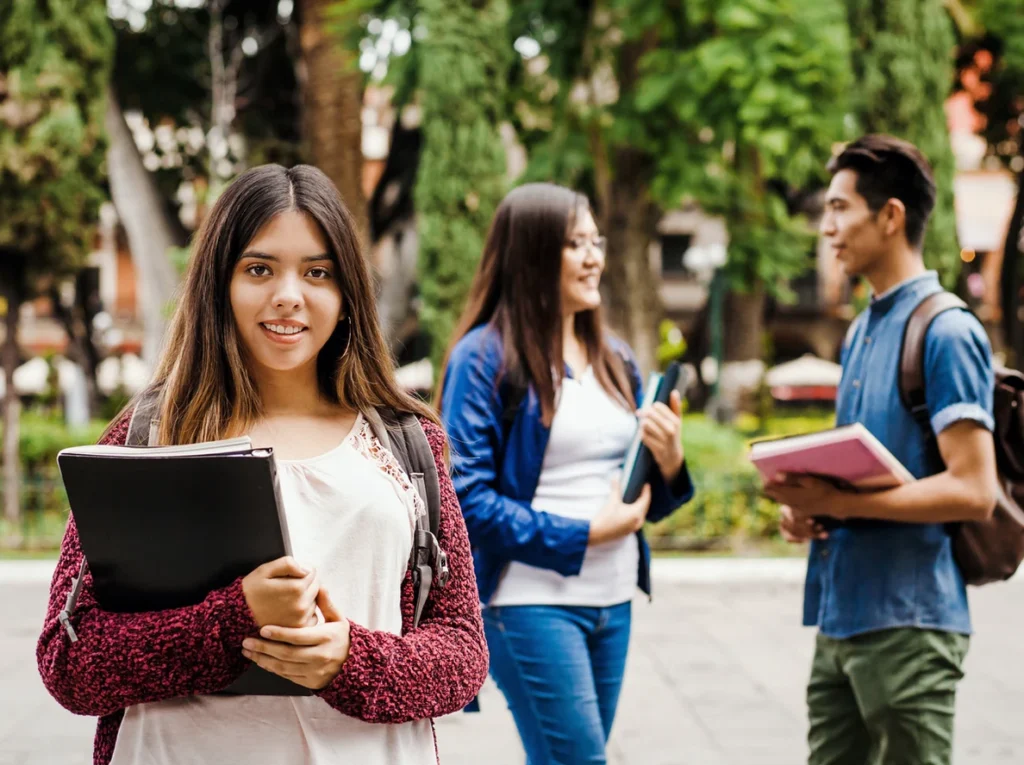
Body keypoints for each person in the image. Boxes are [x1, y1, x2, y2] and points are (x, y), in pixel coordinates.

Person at [37, 164, 487, 765]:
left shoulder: (407, 443)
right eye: (259, 268)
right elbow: (70, 661)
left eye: (318, 272)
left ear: (347, 293)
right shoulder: (148, 434)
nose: (288, 295)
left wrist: (348, 661)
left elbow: (463, 653)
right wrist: (232, 621)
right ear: (218, 284)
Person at [439, 182, 695, 765]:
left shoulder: (615, 357)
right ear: (531, 254)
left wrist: (671, 461)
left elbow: (639, 494)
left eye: (595, 241)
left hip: (613, 598)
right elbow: (466, 500)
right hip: (527, 602)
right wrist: (586, 535)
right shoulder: (483, 357)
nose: (594, 256)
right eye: (574, 243)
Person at [766, 135, 998, 765]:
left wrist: (842, 501)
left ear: (891, 216)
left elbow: (975, 491)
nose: (827, 227)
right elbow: (863, 470)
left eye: (840, 208)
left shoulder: (946, 329)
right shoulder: (863, 327)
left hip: (911, 624)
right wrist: (812, 508)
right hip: (841, 618)